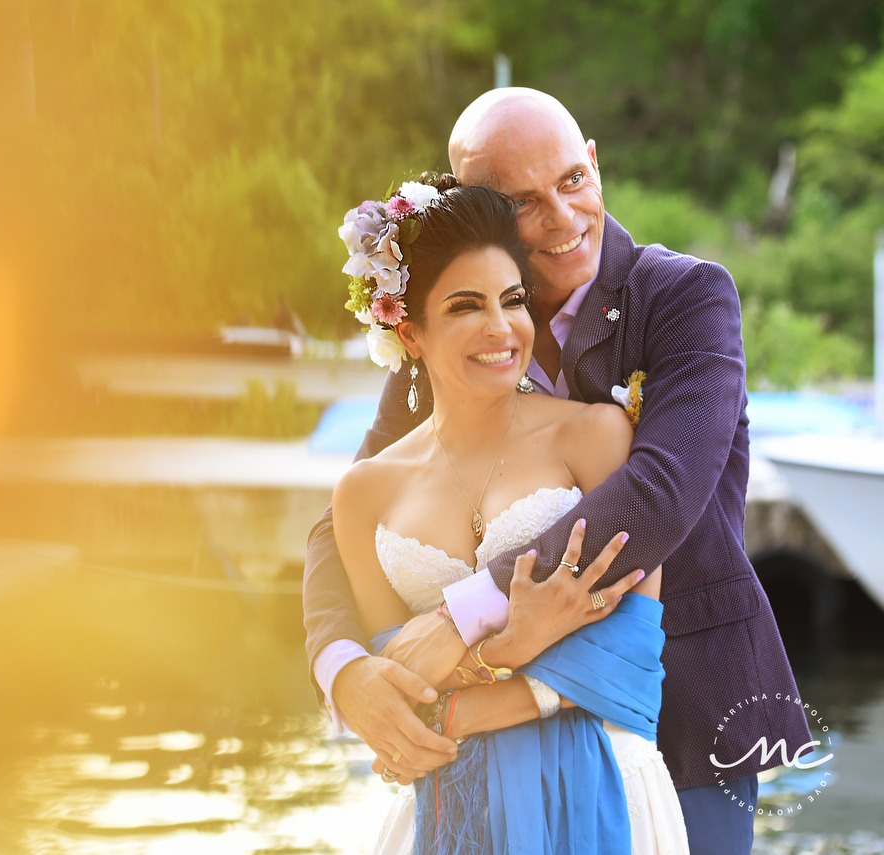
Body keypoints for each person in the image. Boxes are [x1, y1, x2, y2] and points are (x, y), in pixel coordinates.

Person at [305, 88, 810, 855]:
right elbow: (343, 519)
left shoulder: (685, 297)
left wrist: (460, 619)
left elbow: (659, 493)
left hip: (682, 691)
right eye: (524, 202)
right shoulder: (458, 332)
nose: (563, 217)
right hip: (492, 746)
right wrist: (345, 670)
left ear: (596, 163)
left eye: (574, 180)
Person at [333, 177, 689, 854]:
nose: (501, 328)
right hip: (445, 802)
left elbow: (632, 659)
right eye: (467, 306)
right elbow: (396, 694)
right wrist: (512, 648)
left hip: (605, 783)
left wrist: (471, 680)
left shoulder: (595, 436)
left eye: (513, 299)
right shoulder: (364, 495)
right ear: (409, 330)